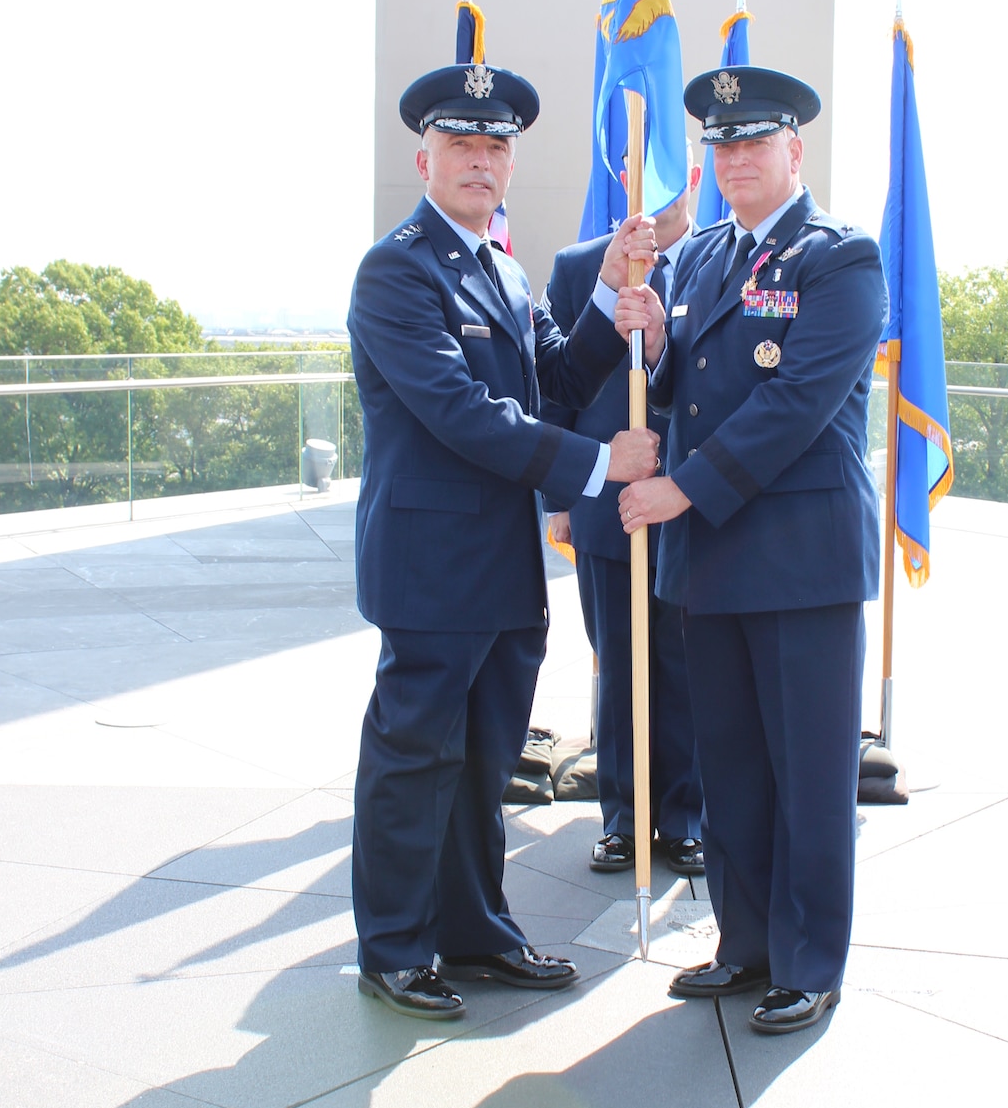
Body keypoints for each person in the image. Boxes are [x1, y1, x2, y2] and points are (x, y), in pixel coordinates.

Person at [346, 58, 660, 1021]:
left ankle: (475, 933)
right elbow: (461, 411)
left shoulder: (504, 267)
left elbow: (551, 378)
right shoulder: (397, 268)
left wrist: (610, 295)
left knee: (484, 761)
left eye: (495, 146)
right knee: (415, 757)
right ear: (424, 155)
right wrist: (606, 465)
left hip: (504, 565)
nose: (480, 160)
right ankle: (395, 949)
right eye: (462, 143)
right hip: (431, 566)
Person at [618, 66, 887, 1034]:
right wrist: (649, 343)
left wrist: (679, 486)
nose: (733, 159)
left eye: (751, 143)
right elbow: (686, 387)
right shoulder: (696, 260)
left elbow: (795, 405)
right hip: (715, 555)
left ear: (793, 152)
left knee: (807, 771)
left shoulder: (839, 258)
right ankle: (745, 943)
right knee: (731, 764)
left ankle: (809, 959)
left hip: (799, 556)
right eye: (719, 146)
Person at [541, 168, 705, 876]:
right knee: (619, 665)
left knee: (688, 665)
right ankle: (622, 818)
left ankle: (685, 816)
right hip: (606, 506)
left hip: (697, 501)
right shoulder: (580, 267)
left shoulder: (720, 261)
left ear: (692, 178)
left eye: (670, 176)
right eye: (643, 175)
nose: (655, 192)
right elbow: (557, 390)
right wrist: (557, 499)